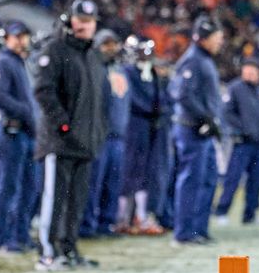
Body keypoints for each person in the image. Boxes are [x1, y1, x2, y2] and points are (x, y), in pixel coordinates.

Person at [33, 0, 107, 271]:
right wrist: (63, 125)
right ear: (70, 20)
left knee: (76, 202)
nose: (85, 25)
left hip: (85, 142)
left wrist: (98, 131)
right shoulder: (55, 49)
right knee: (55, 199)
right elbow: (43, 91)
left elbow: (100, 98)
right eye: (81, 20)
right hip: (60, 142)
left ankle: (69, 249)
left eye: (89, 21)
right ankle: (48, 253)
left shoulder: (93, 55)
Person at [169, 15, 225, 245]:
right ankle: (184, 232)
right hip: (192, 130)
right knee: (191, 180)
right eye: (217, 37)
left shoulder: (204, 59)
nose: (220, 42)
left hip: (204, 131)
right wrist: (205, 118)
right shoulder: (193, 60)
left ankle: (198, 229)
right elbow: (182, 94)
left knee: (208, 179)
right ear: (204, 38)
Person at [0, 22, 37, 257]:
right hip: (11, 132)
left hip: (26, 134)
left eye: (24, 36)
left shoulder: (21, 62)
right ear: (7, 39)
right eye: (16, 37)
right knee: (9, 187)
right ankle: (2, 239)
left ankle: (20, 235)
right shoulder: (4, 62)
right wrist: (26, 112)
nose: (21, 41)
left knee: (28, 187)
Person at [82, 30, 128, 238]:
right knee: (94, 183)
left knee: (113, 182)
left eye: (113, 44)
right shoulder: (92, 69)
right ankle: (87, 224)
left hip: (118, 135)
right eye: (105, 44)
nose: (111, 48)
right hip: (99, 136)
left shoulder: (120, 70)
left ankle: (106, 223)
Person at [217, 60, 259, 225]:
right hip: (242, 143)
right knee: (233, 178)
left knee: (256, 181)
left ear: (258, 72)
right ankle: (222, 211)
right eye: (246, 71)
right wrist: (243, 129)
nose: (249, 74)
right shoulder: (235, 88)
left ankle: (250, 214)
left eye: (252, 71)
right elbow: (226, 113)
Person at [120, 36, 168, 234]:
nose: (147, 56)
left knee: (145, 171)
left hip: (149, 127)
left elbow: (159, 97)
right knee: (131, 170)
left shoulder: (151, 73)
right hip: (133, 125)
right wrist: (153, 110)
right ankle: (124, 217)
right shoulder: (127, 72)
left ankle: (140, 215)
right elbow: (133, 99)